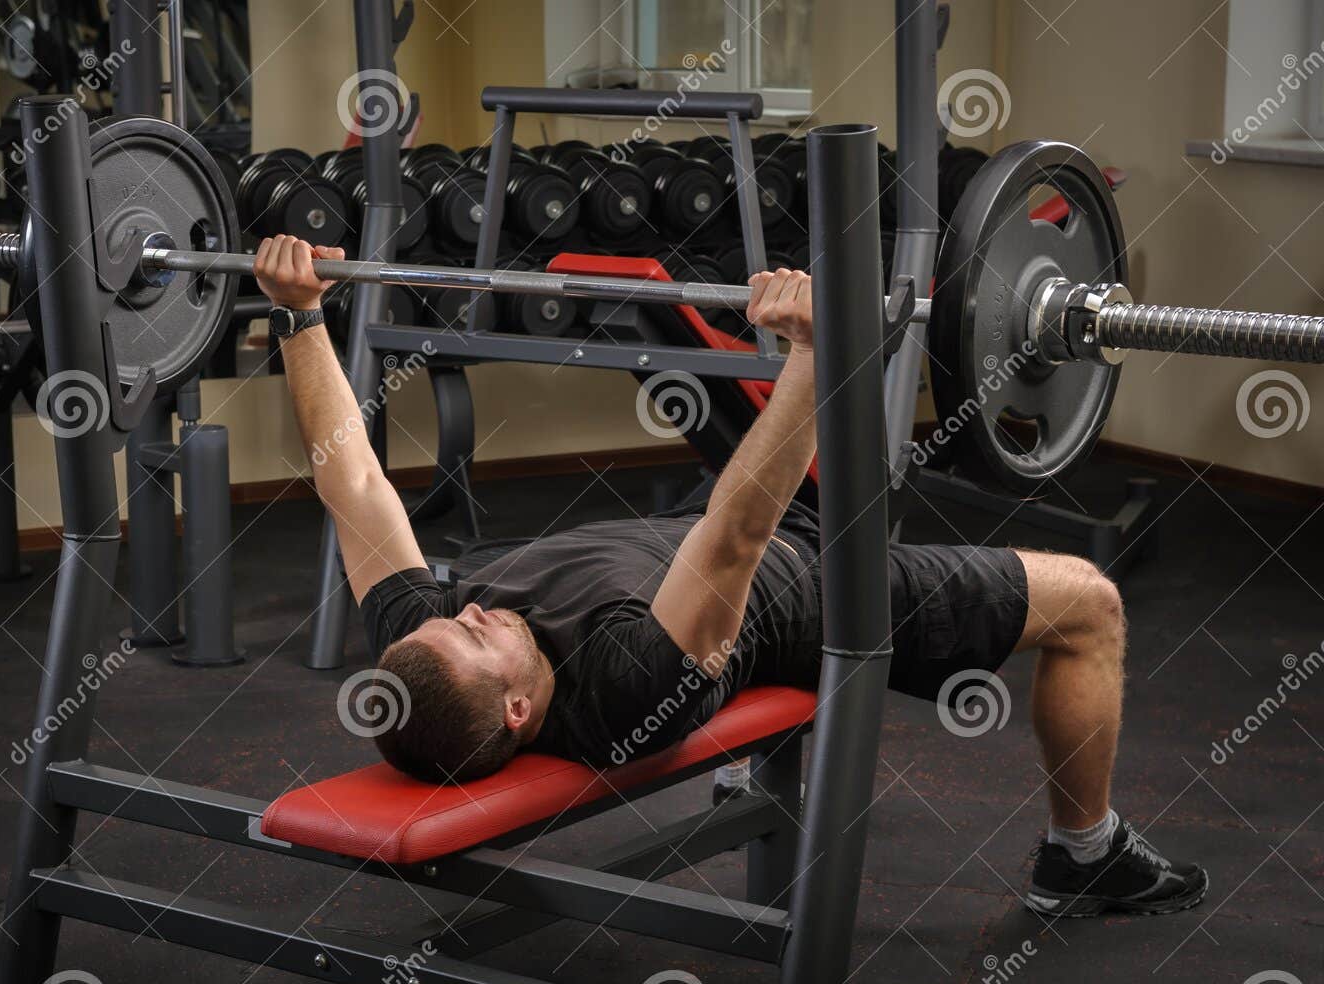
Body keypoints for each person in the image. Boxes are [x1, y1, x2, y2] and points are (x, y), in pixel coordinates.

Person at [252, 235, 1207, 919]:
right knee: (1091, 603)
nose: (472, 608)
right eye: (476, 633)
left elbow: (356, 484)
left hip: (738, 530)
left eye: (449, 619)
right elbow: (739, 531)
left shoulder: (422, 651)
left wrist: (297, 318)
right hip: (826, 581)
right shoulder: (621, 685)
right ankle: (1084, 855)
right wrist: (811, 351)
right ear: (514, 712)